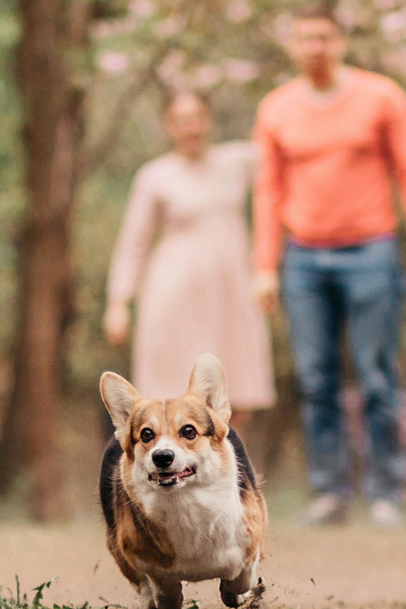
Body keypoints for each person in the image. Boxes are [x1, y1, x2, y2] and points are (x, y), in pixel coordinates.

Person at [251, 10, 406, 527]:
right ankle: (329, 493)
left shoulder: (382, 97)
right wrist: (265, 265)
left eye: (324, 37)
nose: (314, 46)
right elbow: (268, 190)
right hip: (303, 258)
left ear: (341, 42)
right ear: (292, 46)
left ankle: (384, 493)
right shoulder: (276, 108)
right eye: (304, 38)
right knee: (316, 380)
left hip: (371, 252)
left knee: (377, 378)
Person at [104, 91, 277, 418]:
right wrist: (118, 302)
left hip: (231, 296)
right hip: (176, 300)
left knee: (236, 392)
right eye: (181, 120)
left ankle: (231, 454)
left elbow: (287, 155)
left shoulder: (238, 161)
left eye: (197, 118)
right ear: (168, 126)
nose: (191, 127)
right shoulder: (155, 176)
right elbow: (133, 242)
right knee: (174, 397)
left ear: (208, 120)